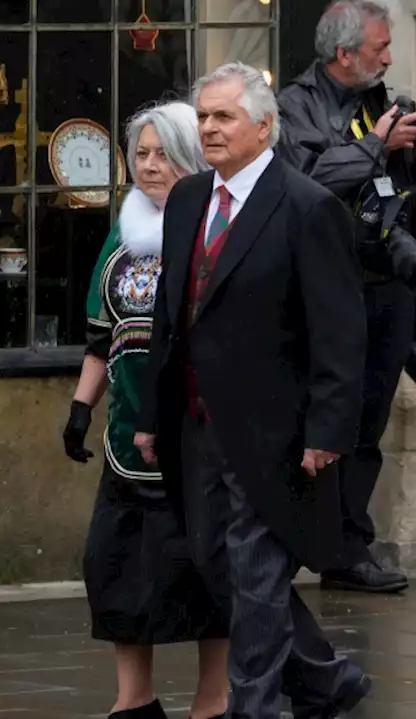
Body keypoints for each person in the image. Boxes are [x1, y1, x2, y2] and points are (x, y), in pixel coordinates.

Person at [133, 62, 370, 719]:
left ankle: (256, 707)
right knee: (217, 562)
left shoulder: (306, 207)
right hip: (197, 426)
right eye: (202, 115)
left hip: (274, 430)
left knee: (258, 575)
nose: (206, 127)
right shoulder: (187, 201)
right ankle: (324, 678)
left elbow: (340, 333)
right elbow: (169, 315)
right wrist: (153, 412)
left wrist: (328, 430)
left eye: (223, 117)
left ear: (264, 127)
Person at [275, 0, 416, 594]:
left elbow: (385, 190)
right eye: (379, 47)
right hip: (327, 294)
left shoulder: (383, 101)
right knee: (325, 422)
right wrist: (378, 146)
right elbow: (309, 183)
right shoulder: (293, 107)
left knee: (368, 426)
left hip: (388, 287)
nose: (388, 57)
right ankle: (313, 541)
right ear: (344, 53)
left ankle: (349, 548)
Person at [62, 102, 229, 719]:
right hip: (127, 436)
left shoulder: (213, 230)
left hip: (194, 436)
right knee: (111, 566)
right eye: (142, 154)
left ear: (191, 156)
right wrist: (83, 407)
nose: (150, 165)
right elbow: (100, 335)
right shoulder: (123, 230)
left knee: (205, 571)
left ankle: (213, 697)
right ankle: (135, 699)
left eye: (163, 153)